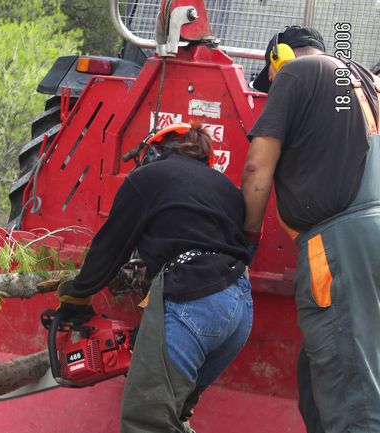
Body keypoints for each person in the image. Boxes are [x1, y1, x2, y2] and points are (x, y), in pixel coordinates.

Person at [57, 122, 253, 433]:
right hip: (238, 308)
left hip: (193, 302)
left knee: (146, 424)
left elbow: (111, 246)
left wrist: (76, 297)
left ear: (155, 149)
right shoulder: (226, 189)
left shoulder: (148, 177)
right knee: (175, 416)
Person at [242, 25, 380, 433]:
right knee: (322, 375)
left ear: (277, 59)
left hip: (338, 245)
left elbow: (257, 165)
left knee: (349, 388)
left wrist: (248, 234)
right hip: (370, 236)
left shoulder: (294, 74)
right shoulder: (361, 80)